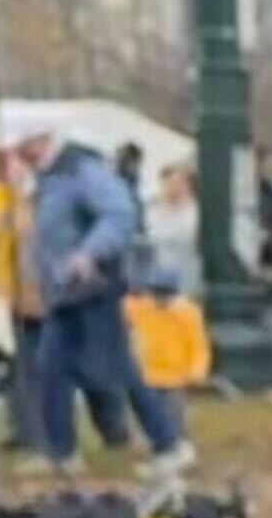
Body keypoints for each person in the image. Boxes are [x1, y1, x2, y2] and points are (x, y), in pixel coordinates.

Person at [12, 117, 190, 490]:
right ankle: (62, 453)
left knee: (119, 369)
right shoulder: (51, 179)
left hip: (94, 288)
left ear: (39, 141)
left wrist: (89, 253)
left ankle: (169, 442)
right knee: (51, 369)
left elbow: (119, 214)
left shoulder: (82, 171)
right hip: (66, 292)